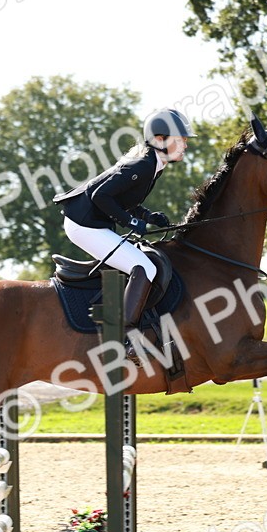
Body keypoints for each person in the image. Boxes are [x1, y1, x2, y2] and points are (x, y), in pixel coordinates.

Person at [53, 108, 193, 365]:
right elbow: (100, 196)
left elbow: (121, 198)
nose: (185, 144)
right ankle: (127, 336)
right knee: (143, 267)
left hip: (92, 222)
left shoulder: (154, 165)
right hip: (83, 224)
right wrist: (130, 221)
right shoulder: (141, 164)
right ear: (160, 140)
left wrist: (148, 216)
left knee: (144, 265)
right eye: (180, 138)